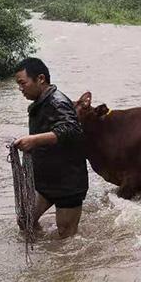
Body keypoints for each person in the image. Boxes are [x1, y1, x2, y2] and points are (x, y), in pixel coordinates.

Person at [14, 58, 88, 238]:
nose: (20, 89)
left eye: (23, 83)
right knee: (25, 220)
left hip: (67, 184)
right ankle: (41, 248)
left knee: (66, 237)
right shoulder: (41, 102)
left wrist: (34, 140)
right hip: (45, 181)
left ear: (40, 79)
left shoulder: (57, 102)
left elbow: (72, 130)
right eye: (18, 85)